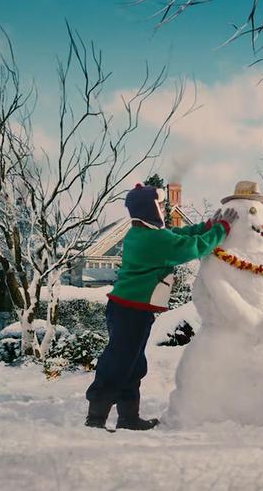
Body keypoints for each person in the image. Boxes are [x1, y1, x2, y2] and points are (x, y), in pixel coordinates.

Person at [84, 183, 238, 431]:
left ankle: (128, 418)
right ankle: (96, 417)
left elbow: (180, 236)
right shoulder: (152, 239)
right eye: (160, 205)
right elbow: (192, 247)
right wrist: (222, 230)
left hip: (131, 310)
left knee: (132, 365)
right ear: (149, 208)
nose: (164, 210)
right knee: (118, 363)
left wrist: (208, 226)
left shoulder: (142, 233)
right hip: (130, 311)